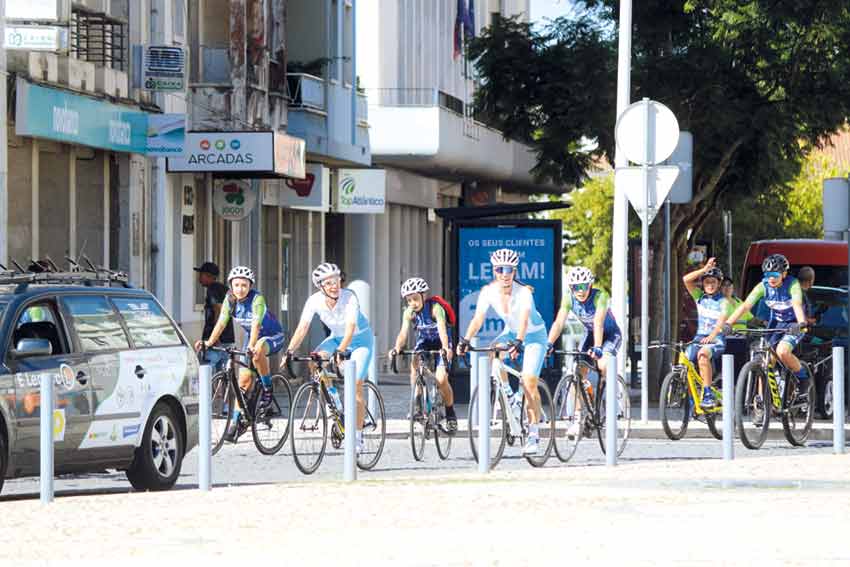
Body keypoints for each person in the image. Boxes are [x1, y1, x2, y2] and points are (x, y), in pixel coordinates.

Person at [456, 248, 547, 456]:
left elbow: (524, 320)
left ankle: (533, 434)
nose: (504, 274)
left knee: (528, 382)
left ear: (515, 272)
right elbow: (478, 319)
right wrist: (465, 340)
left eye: (509, 269)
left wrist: (519, 341)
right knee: (493, 351)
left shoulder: (523, 292)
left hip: (533, 335)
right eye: (500, 269)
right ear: (494, 271)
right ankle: (508, 393)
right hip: (511, 332)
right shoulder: (488, 291)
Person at [282, 262, 375, 453]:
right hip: (336, 339)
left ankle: (357, 438)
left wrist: (340, 352)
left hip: (360, 341)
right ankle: (336, 404)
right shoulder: (314, 301)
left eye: (337, 280)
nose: (335, 285)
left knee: (355, 384)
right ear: (320, 286)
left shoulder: (349, 297)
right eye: (329, 283)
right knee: (315, 361)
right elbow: (302, 328)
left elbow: (350, 329)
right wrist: (289, 351)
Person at [195, 266, 285, 442]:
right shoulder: (230, 299)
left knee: (258, 351)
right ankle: (237, 422)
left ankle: (267, 387)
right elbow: (221, 324)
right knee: (243, 381)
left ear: (250, 286)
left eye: (244, 285)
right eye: (236, 285)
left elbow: (256, 326)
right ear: (231, 285)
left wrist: (250, 346)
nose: (240, 289)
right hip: (251, 339)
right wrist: (208, 343)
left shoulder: (257, 299)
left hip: (271, 336)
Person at [725, 254, 810, 407]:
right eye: (768, 274)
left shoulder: (793, 284)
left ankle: (803, 380)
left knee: (782, 351)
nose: (771, 278)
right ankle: (761, 401)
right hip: (776, 324)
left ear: (784, 274)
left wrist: (801, 322)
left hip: (794, 323)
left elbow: (797, 304)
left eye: (775, 275)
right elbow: (744, 307)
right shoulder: (763, 286)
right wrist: (728, 323)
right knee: (764, 360)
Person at [546, 266, 622, 435]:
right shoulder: (568, 299)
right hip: (590, 335)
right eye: (575, 287)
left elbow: (598, 323)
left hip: (609, 335)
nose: (580, 291)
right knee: (577, 373)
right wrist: (549, 344)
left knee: (604, 365)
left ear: (590, 285)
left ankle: (613, 405)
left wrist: (598, 347)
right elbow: (558, 323)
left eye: (584, 286)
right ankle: (578, 418)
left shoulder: (600, 296)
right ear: (570, 288)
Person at [389, 277, 457, 434]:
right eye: (409, 300)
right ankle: (418, 404)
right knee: (415, 363)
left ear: (423, 296)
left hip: (441, 342)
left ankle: (450, 412)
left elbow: (441, 329)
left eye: (415, 298)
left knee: (441, 379)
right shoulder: (409, 312)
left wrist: (446, 348)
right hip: (424, 342)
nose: (412, 303)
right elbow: (403, 333)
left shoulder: (435, 308)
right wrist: (396, 348)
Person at [682, 258, 731, 409]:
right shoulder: (699, 297)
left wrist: (712, 336)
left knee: (702, 355)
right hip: (699, 337)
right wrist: (704, 270)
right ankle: (690, 395)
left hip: (716, 340)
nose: (710, 285)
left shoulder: (723, 301)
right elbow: (686, 279)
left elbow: (722, 320)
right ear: (703, 283)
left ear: (719, 284)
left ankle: (708, 393)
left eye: (713, 282)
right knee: (684, 360)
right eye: (707, 282)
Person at [194, 261, 235, 372]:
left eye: (201, 274)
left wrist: (215, 337)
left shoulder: (212, 289)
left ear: (208, 276)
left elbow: (219, 309)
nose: (199, 278)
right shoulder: (224, 288)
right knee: (223, 376)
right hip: (228, 339)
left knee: (207, 373)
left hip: (216, 341)